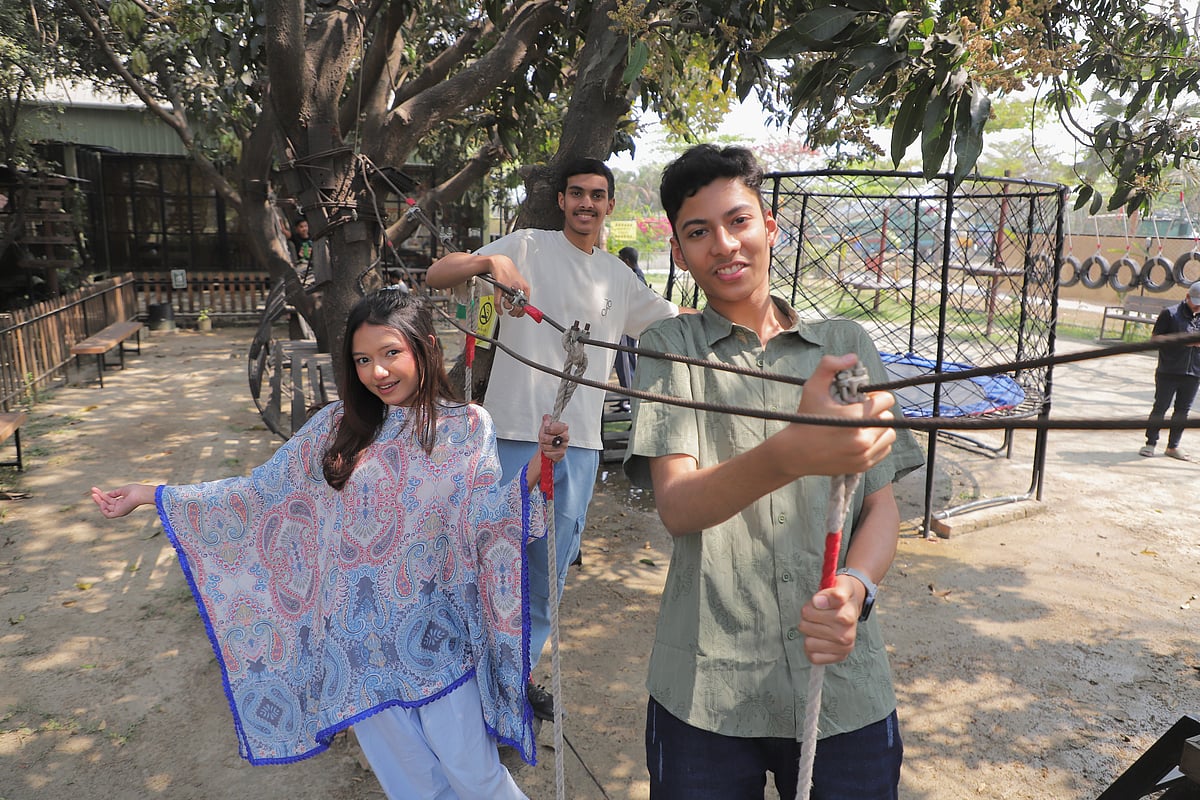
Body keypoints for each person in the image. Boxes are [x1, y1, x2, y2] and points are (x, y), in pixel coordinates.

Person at [91, 289, 569, 800]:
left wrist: (539, 469)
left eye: (391, 354)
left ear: (424, 347)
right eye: (363, 360)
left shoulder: (468, 427)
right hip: (354, 651)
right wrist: (152, 495)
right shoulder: (336, 428)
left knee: (477, 779)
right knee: (414, 789)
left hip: (436, 645)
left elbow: (484, 522)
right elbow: (258, 494)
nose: (377, 373)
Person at [623, 144, 925, 799]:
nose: (724, 245)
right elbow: (677, 507)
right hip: (704, 689)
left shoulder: (845, 347)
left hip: (843, 683)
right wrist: (793, 451)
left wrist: (857, 588)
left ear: (770, 227)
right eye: (698, 233)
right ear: (679, 251)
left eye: (739, 221)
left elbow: (881, 507)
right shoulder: (668, 350)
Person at [425, 158, 681, 718]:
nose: (587, 204)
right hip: (511, 435)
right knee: (488, 564)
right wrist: (490, 260)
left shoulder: (619, 277)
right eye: (577, 194)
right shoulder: (527, 246)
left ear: (611, 204)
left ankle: (514, 680)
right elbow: (437, 275)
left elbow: (676, 326)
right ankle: (466, 680)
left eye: (598, 195)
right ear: (562, 201)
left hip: (579, 445)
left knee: (549, 573)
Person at [1140, 280, 1200, 460]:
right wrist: (1183, 341)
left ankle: (1173, 446)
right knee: (1160, 407)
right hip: (1169, 370)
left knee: (1182, 411)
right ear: (1187, 297)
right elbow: (1155, 339)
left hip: (1194, 373)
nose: (1197, 307)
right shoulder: (1170, 314)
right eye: (1195, 302)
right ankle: (1150, 443)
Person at [615, 246, 648, 395]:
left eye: (620, 259)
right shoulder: (632, 276)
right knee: (623, 361)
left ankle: (629, 396)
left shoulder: (635, 279)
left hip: (628, 327)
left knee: (626, 362)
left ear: (627, 261)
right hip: (626, 325)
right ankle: (627, 394)